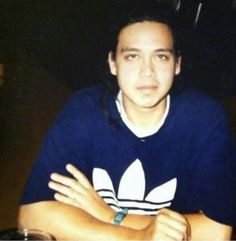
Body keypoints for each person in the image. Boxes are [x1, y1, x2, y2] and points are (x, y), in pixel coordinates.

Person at [18, 1, 235, 240]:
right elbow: (33, 217)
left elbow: (217, 231)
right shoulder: (84, 111)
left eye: (161, 57)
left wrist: (110, 215)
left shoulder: (203, 119)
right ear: (113, 63)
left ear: (177, 64)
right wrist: (138, 237)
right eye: (132, 56)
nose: (147, 72)